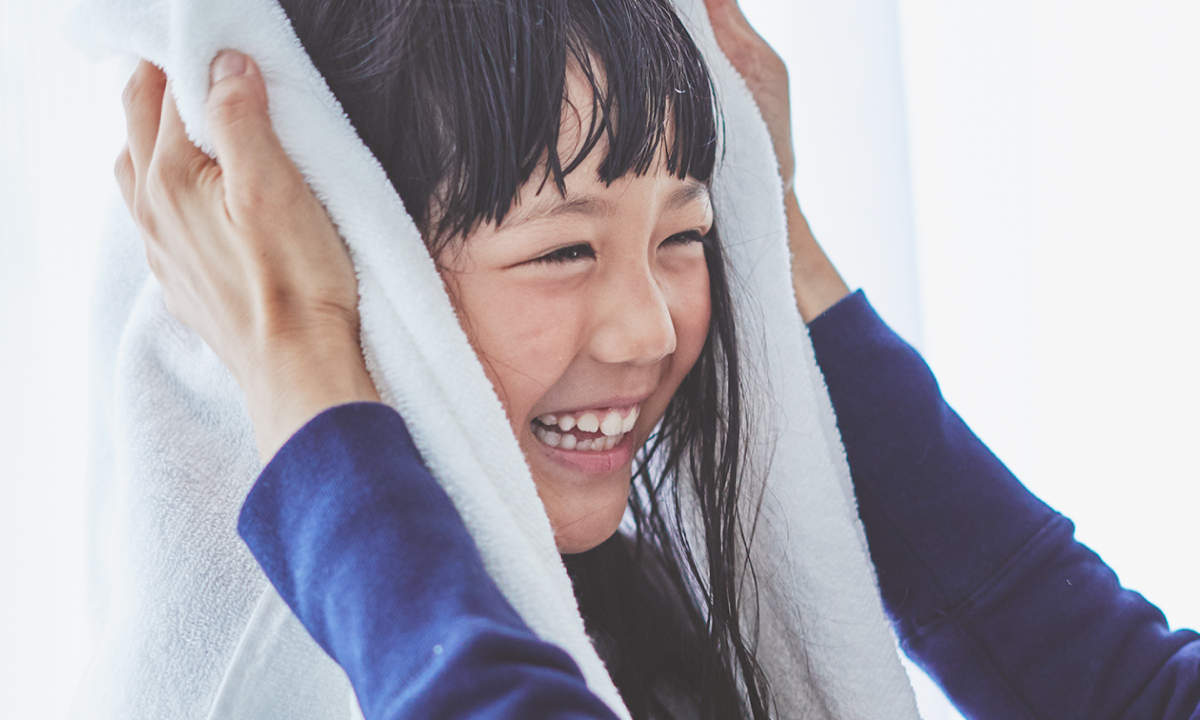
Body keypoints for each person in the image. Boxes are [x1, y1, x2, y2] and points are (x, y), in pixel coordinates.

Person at [114, 0, 1200, 718]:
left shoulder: (666, 652)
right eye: (563, 249)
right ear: (350, 252)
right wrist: (303, 338)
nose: (650, 332)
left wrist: (305, 358)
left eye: (689, 234)